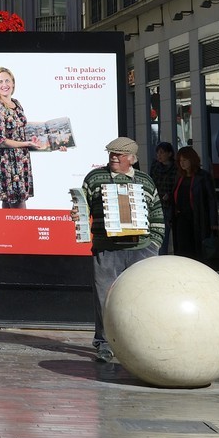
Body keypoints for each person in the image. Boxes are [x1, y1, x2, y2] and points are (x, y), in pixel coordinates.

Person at [73, 136, 164, 362]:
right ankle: (104, 343)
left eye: (119, 154)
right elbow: (81, 207)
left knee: (141, 298)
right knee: (104, 297)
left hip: (141, 249)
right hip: (107, 250)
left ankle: (140, 341)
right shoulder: (95, 178)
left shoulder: (145, 181)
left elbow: (157, 214)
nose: (114, 157)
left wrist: (154, 245)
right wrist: (77, 214)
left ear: (131, 159)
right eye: (111, 153)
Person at [0, 66, 35, 208]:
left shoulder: (17, 103)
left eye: (7, 80)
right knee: (18, 206)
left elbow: (23, 132)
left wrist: (51, 144)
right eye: (0, 82)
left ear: (13, 83)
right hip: (7, 162)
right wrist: (25, 144)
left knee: (11, 208)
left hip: (22, 160)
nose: (4, 85)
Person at [169, 146, 219, 271]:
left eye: (185, 160)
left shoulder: (203, 176)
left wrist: (213, 222)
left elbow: (211, 199)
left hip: (199, 218)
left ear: (192, 160)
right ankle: (185, 270)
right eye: (180, 161)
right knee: (182, 248)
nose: (182, 164)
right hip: (181, 218)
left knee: (199, 249)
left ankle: (199, 271)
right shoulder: (179, 177)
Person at [149, 142, 177, 254]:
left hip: (169, 205)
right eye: (157, 153)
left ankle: (163, 255)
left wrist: (169, 195)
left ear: (169, 154)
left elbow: (175, 185)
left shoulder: (175, 167)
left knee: (165, 233)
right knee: (156, 233)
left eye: (162, 152)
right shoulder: (155, 165)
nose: (159, 155)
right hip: (156, 203)